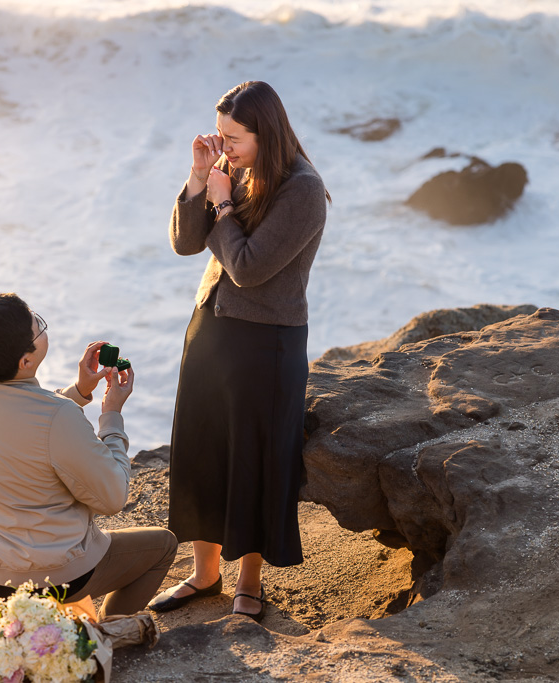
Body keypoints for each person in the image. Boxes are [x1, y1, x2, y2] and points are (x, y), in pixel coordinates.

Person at [148, 81, 330, 622]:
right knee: (202, 452)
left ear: (265, 132)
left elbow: (248, 268)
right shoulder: (234, 169)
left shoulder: (303, 190)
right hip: (211, 329)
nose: (225, 146)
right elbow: (185, 242)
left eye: (234, 138)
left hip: (265, 341)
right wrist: (200, 178)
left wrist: (223, 202)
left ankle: (249, 582)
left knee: (253, 462)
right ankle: (205, 575)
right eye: (220, 137)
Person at [0, 293, 177, 626]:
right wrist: (111, 414)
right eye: (37, 325)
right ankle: (104, 634)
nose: (41, 325)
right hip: (53, 582)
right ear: (26, 360)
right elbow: (113, 496)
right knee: (163, 546)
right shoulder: (59, 417)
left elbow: (23, 421)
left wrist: (80, 390)